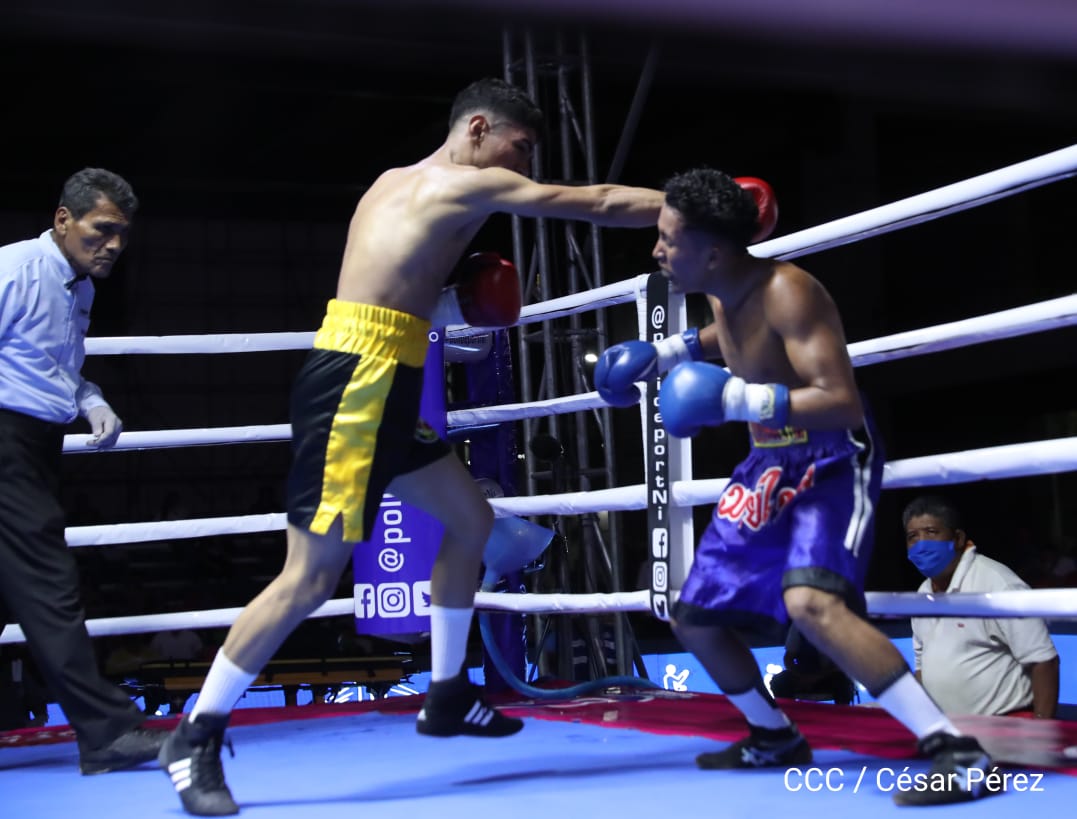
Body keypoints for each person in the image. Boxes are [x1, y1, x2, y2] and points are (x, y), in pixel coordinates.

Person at [158, 77, 665, 816]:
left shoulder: (393, 182)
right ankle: (194, 734)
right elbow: (597, 201)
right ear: (479, 129)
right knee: (309, 578)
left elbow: (396, 289)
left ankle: (448, 691)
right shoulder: (467, 183)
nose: (524, 167)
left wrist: (455, 299)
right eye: (521, 147)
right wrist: (688, 207)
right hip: (359, 385)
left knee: (470, 520)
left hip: (385, 379)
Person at [594, 167, 992, 805]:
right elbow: (734, 335)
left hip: (832, 458)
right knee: (693, 616)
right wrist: (667, 355)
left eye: (668, 239)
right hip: (770, 461)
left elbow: (840, 401)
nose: (656, 250)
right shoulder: (722, 289)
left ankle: (958, 752)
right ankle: (773, 735)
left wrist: (735, 399)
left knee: (813, 606)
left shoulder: (789, 291)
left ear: (712, 252)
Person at [0, 167, 167, 772]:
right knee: (49, 586)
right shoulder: (15, 269)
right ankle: (107, 733)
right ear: (63, 220)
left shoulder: (78, 287)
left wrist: (89, 399)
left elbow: (53, 369)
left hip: (33, 445)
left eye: (122, 234)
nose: (113, 245)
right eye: (102, 230)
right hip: (7, 444)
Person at [904, 494, 1059, 718]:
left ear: (958, 538)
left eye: (931, 532)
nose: (921, 544)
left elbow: (1044, 662)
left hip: (1006, 724)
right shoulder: (922, 594)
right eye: (913, 536)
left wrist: (1041, 730)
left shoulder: (998, 585)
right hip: (948, 727)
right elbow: (922, 668)